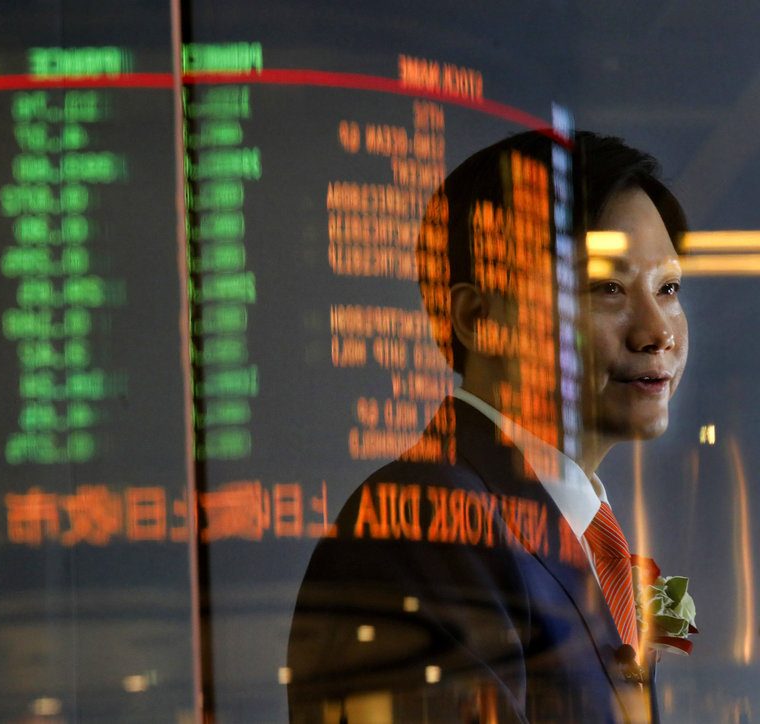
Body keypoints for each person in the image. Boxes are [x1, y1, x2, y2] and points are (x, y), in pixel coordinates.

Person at [287, 131, 688, 723]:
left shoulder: (566, 530)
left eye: (668, 289)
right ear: (480, 320)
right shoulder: (428, 523)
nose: (658, 331)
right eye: (606, 288)